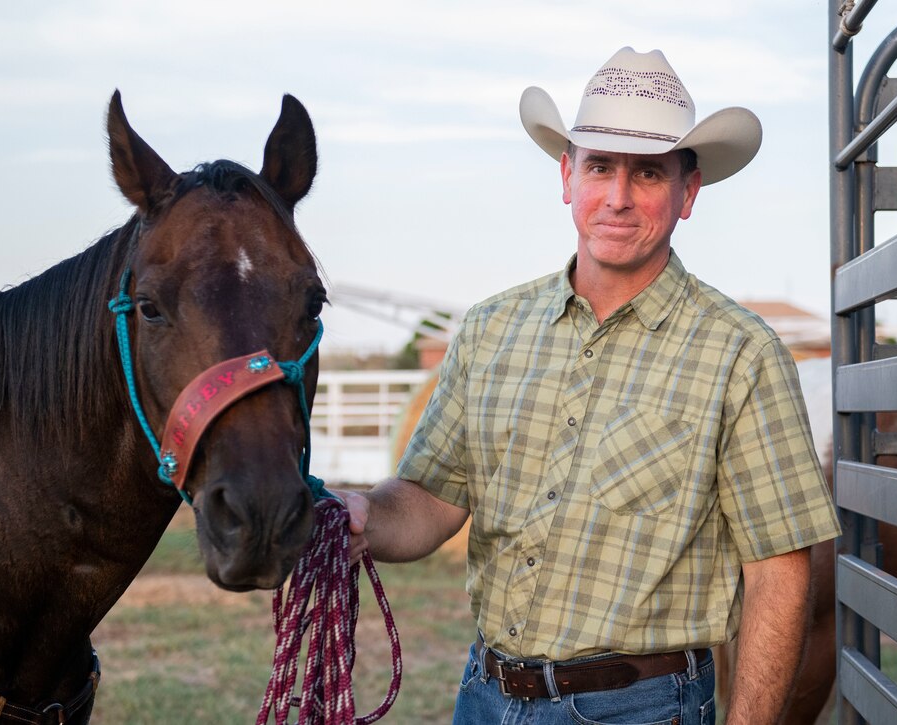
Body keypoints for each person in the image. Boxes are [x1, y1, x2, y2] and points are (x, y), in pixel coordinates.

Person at [339, 46, 841, 725]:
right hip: (484, 696)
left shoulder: (740, 354)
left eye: (649, 172)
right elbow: (430, 497)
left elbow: (779, 569)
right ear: (567, 175)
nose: (619, 196)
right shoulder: (490, 331)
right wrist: (362, 516)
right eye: (600, 165)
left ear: (688, 192)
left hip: (642, 707)